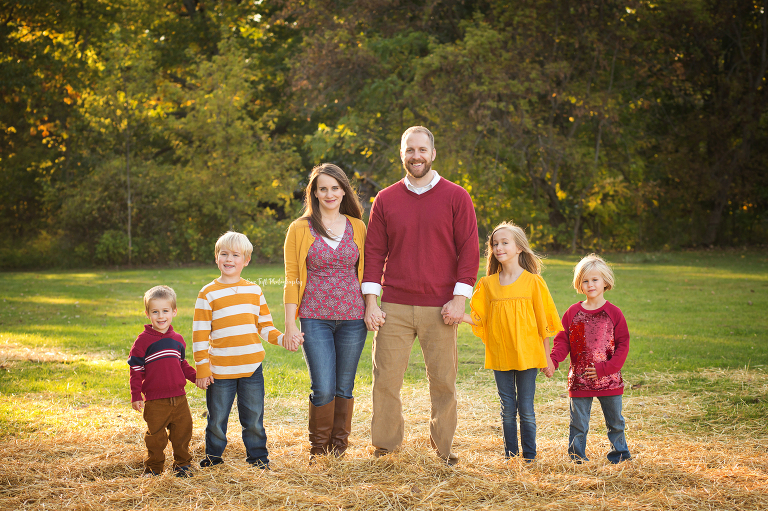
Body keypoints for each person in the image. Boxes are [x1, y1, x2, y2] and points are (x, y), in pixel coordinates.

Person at [363, 126, 479, 465]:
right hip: (393, 306)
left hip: (441, 307)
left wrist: (460, 300)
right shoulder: (385, 198)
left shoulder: (457, 196)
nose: (416, 155)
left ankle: (443, 450)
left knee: (443, 382)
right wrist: (372, 302)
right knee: (385, 380)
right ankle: (385, 447)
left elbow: (469, 251)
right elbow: (374, 252)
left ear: (433, 153)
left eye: (422, 149)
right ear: (402, 153)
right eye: (409, 149)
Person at [193, 231, 300, 470]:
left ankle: (258, 458)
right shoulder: (207, 293)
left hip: (252, 369)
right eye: (224, 254)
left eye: (235, 255)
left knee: (253, 420)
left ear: (246, 260)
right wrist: (202, 367)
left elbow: (265, 327)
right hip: (220, 371)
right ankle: (213, 458)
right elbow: (200, 334)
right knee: (217, 419)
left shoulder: (254, 291)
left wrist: (284, 339)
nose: (229, 259)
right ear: (216, 257)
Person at [283, 163, 368, 458]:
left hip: (353, 318)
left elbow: (367, 272)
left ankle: (338, 452)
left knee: (344, 387)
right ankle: (318, 452)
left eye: (335, 187)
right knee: (323, 387)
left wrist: (371, 306)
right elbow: (292, 277)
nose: (329, 193)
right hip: (314, 317)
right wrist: (290, 324)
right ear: (314, 193)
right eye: (323, 189)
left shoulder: (358, 226)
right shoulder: (299, 228)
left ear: (344, 190)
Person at [462, 222, 562, 461]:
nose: (499, 248)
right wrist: (458, 316)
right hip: (500, 354)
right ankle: (510, 456)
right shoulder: (487, 284)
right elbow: (480, 319)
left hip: (528, 354)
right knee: (507, 409)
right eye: (495, 244)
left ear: (519, 248)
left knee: (526, 409)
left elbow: (543, 324)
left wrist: (547, 357)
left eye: (505, 243)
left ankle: (529, 457)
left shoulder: (533, 282)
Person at [550, 253, 631, 464]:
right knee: (578, 423)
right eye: (585, 281)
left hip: (610, 380)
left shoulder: (614, 313)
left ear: (605, 282)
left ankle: (620, 455)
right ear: (579, 284)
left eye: (595, 279)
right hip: (579, 380)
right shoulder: (572, 313)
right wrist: (553, 360)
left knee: (615, 422)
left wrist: (607, 368)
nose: (590, 284)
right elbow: (562, 341)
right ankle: (577, 457)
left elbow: (623, 344)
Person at [128, 285, 197, 477]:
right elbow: (135, 370)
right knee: (156, 437)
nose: (161, 316)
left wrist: (196, 377)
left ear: (174, 312)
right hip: (156, 401)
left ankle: (182, 465)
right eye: (155, 312)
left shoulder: (178, 340)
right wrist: (136, 395)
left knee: (182, 433)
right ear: (147, 313)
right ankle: (154, 468)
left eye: (165, 311)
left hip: (179, 398)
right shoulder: (142, 342)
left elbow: (182, 365)